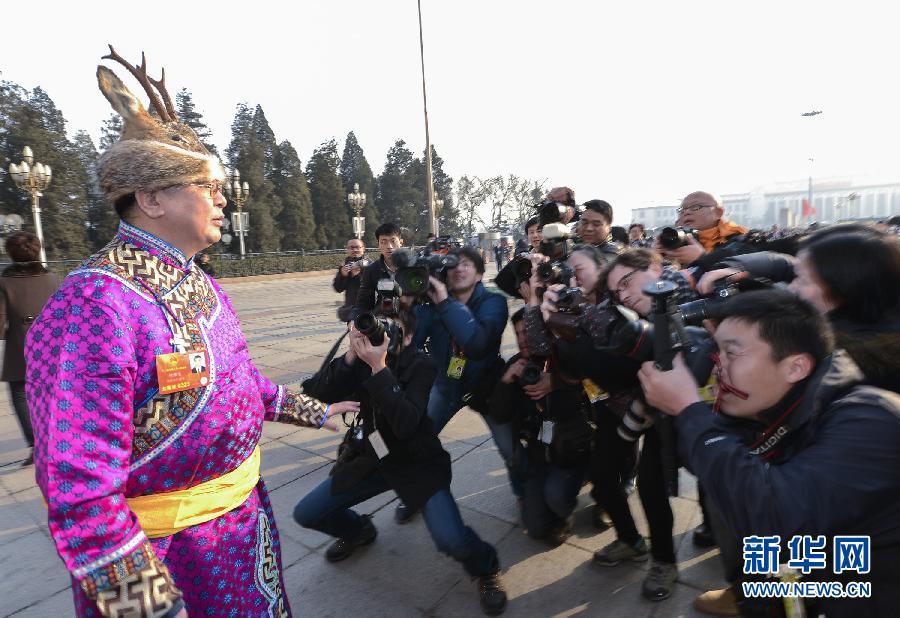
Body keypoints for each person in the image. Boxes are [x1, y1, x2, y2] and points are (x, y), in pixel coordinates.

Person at [25, 54, 358, 618]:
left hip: (239, 530)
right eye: (206, 185)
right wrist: (145, 605)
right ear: (152, 199)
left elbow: (237, 382)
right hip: (168, 561)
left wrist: (314, 410)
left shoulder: (193, 279)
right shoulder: (94, 304)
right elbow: (78, 487)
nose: (223, 198)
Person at [639, 289, 900, 618]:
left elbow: (774, 520)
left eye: (732, 353)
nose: (717, 366)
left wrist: (690, 409)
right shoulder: (773, 407)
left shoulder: (871, 420)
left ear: (795, 367)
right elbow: (721, 473)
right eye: (715, 350)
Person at [293, 311, 507, 616]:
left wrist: (379, 368)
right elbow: (316, 396)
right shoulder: (360, 363)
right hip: (371, 460)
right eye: (374, 330)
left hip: (416, 464)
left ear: (408, 338)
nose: (379, 338)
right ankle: (359, 531)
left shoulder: (422, 365)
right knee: (306, 513)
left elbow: (406, 423)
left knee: (451, 540)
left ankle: (486, 568)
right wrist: (351, 356)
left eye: (390, 331)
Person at [698, 224, 900, 393]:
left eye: (801, 280)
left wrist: (689, 407)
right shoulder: (875, 320)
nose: (791, 288)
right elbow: (783, 265)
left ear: (846, 290)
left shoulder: (832, 370)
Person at [395, 247, 517, 522]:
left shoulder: (493, 302)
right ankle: (415, 496)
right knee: (418, 443)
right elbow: (408, 343)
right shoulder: (431, 304)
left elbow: (478, 344)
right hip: (445, 385)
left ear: (479, 273)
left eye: (466, 264)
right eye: (452, 266)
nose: (459, 269)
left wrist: (444, 303)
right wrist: (407, 304)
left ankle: (522, 492)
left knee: (510, 448)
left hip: (485, 386)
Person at [491, 309, 587, 545]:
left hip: (572, 452)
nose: (523, 338)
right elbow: (499, 414)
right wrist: (506, 381)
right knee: (535, 528)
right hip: (540, 456)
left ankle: (565, 510)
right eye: (517, 333)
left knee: (556, 497)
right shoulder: (517, 365)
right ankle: (550, 504)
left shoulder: (561, 360)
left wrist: (555, 383)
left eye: (527, 331)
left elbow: (587, 393)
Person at [0, 231, 59, 466]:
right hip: (52, 344)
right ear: (37, 250)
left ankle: (37, 446)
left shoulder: (4, 282)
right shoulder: (52, 278)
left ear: (10, 254)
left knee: (20, 394)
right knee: (53, 393)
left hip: (20, 345)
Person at [659, 191, 748, 271]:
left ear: (718, 213)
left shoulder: (741, 240)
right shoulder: (675, 240)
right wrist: (656, 258)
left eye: (695, 207)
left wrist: (702, 258)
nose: (686, 212)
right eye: (682, 210)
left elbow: (742, 272)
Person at [355, 222, 403, 315]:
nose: (389, 246)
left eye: (393, 241)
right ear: (378, 245)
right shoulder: (371, 270)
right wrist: (354, 320)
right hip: (385, 318)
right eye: (383, 242)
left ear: (401, 242)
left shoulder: (413, 266)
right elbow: (364, 303)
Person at [334, 237, 368, 321]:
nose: (355, 250)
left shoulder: (371, 265)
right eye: (352, 248)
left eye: (358, 247)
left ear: (363, 248)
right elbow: (338, 288)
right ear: (347, 249)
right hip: (350, 309)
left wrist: (357, 275)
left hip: (368, 308)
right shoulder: (345, 266)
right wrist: (343, 275)